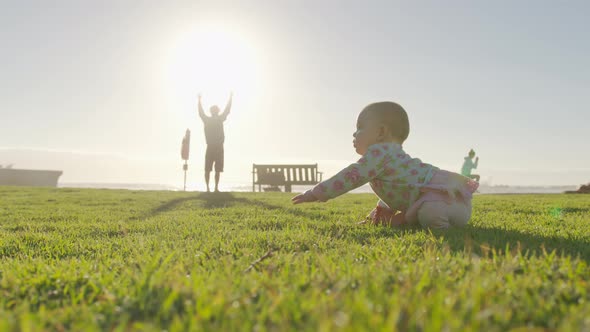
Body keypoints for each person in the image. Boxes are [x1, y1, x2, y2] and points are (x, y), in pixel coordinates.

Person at [292, 101, 479, 229]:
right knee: (393, 198)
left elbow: (351, 176)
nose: (354, 134)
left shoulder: (379, 153)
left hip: (444, 203)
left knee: (429, 213)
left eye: (359, 128)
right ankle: (381, 217)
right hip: (454, 202)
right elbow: (395, 190)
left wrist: (316, 193)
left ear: (381, 132)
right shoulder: (392, 155)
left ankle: (440, 227)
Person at [198, 92, 232, 192]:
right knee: (212, 169)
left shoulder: (209, 120)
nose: (215, 112)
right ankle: (212, 188)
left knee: (211, 169)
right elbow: (227, 110)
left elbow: (227, 110)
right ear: (215, 111)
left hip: (214, 146)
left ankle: (211, 188)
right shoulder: (213, 119)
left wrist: (199, 101)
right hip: (215, 147)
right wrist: (230, 98)